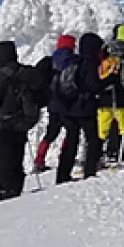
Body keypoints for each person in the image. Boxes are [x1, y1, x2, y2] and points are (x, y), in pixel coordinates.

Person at [0, 40, 43, 201]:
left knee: (3, 162)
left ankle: (6, 193)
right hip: (21, 124)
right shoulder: (25, 73)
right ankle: (16, 190)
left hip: (1, 126)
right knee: (16, 160)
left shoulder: (0, 76)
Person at [54, 32, 106, 183]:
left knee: (71, 141)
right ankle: (90, 171)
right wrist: (106, 82)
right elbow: (93, 86)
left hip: (70, 108)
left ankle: (62, 174)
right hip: (86, 108)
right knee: (93, 140)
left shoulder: (74, 61)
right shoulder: (90, 63)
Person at [33, 35, 78, 173]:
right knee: (71, 132)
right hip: (69, 103)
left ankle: (39, 160)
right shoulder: (74, 60)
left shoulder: (49, 61)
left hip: (52, 102)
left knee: (50, 133)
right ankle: (64, 158)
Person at [96, 37, 124, 168]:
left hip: (104, 100)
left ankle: (97, 155)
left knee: (102, 129)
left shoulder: (104, 62)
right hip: (120, 100)